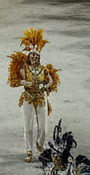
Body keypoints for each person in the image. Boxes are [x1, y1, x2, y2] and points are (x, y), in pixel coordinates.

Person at [6, 28, 60, 162]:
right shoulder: (24, 68)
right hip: (28, 99)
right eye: (32, 56)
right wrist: (23, 82)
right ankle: (28, 149)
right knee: (28, 127)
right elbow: (13, 82)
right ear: (29, 57)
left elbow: (52, 83)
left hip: (41, 99)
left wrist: (45, 86)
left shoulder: (44, 70)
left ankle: (40, 144)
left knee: (43, 129)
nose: (34, 58)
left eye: (36, 56)